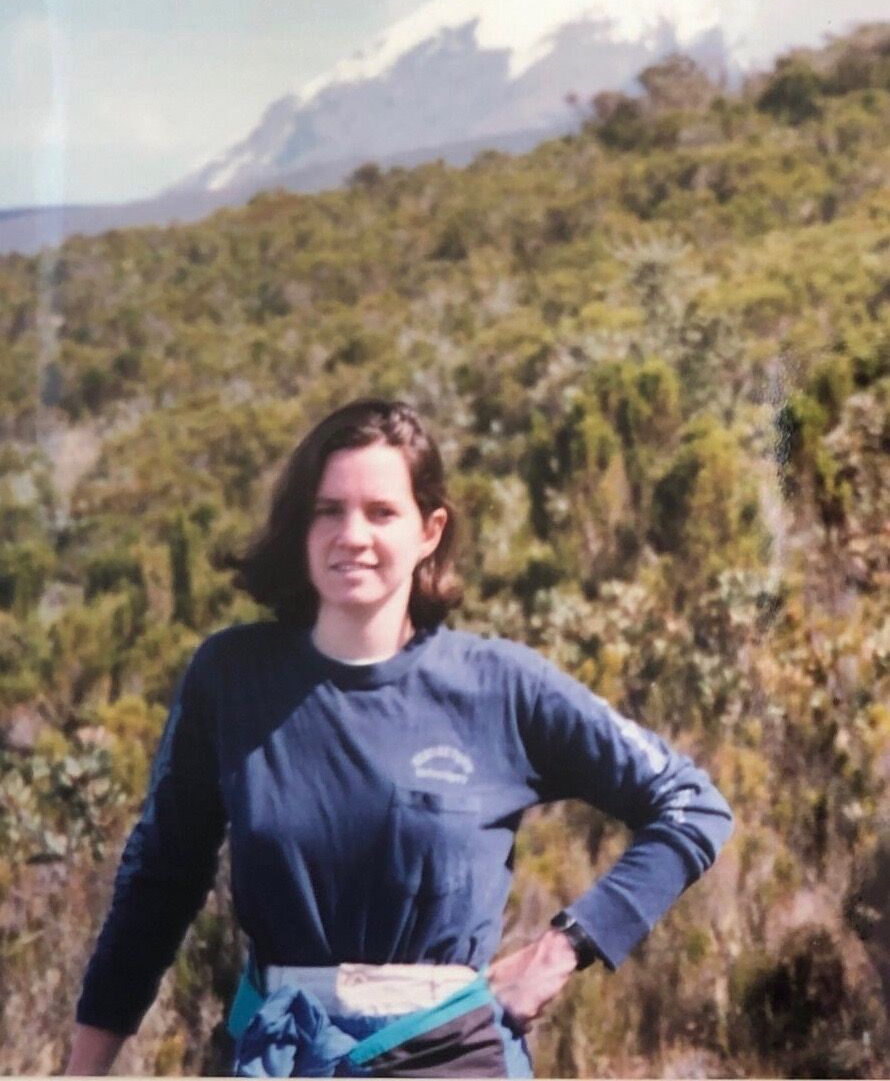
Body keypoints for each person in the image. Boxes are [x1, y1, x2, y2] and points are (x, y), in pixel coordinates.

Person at [67, 398, 733, 1077]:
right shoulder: (232, 677)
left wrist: (563, 948)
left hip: (451, 1055)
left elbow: (691, 804)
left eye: (381, 512)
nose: (351, 534)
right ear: (300, 525)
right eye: (328, 509)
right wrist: (82, 1069)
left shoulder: (498, 686)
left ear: (429, 530)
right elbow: (159, 883)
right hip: (279, 1051)